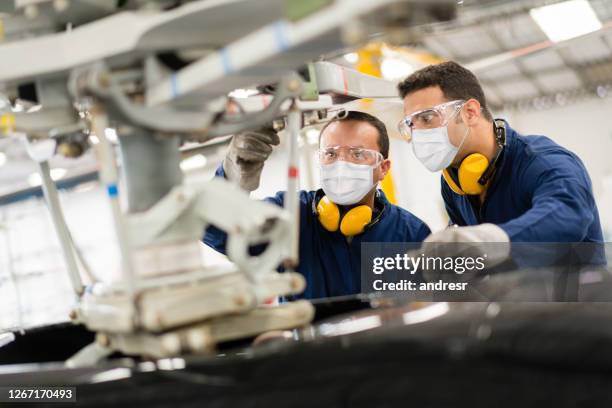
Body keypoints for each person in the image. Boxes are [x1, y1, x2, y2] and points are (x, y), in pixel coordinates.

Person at [204, 111, 431, 299]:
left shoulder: (411, 233)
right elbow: (214, 230)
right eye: (330, 154)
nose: (341, 163)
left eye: (358, 154)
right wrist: (232, 178)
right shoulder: (291, 213)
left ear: (383, 168)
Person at [396, 61, 603, 257]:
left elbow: (568, 216)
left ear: (470, 112)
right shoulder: (453, 183)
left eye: (426, 117)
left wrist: (490, 241)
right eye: (410, 124)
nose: (417, 134)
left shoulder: (542, 161)